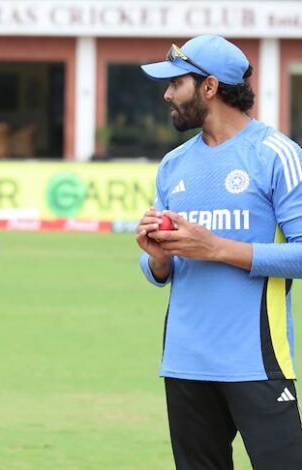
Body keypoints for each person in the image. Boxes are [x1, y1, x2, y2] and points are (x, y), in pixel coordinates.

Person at [136, 34, 302, 469]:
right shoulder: (173, 165)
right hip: (185, 362)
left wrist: (216, 248)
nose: (167, 93)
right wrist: (157, 256)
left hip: (256, 362)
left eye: (176, 83)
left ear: (209, 87)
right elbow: (159, 270)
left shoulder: (276, 155)